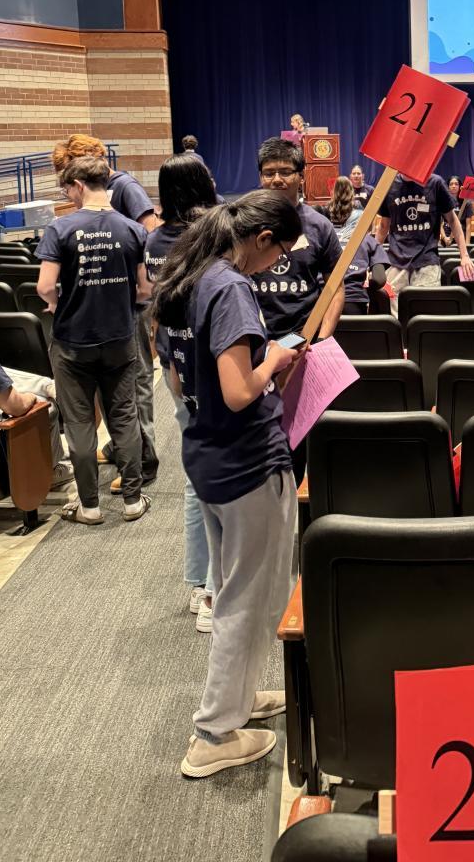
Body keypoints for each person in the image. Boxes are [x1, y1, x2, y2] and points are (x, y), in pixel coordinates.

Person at [151, 191, 303, 778]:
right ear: (262, 239)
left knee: (236, 588)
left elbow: (175, 378)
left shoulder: (186, 276)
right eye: (280, 251)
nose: (278, 263)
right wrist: (277, 359)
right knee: (248, 597)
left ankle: (237, 699)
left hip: (207, 456)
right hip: (247, 465)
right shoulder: (231, 288)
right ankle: (214, 733)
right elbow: (240, 391)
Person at [35, 156, 151, 524]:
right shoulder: (133, 229)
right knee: (124, 417)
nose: (67, 196)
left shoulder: (60, 228)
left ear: (79, 186)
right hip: (119, 339)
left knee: (80, 422)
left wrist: (57, 304)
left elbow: (45, 286)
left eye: (66, 189)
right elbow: (145, 289)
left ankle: (89, 506)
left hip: (72, 343)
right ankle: (132, 500)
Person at [52, 134, 159, 488]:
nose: (70, 183)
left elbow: (149, 235)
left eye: (70, 172)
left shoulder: (125, 187)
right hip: (103, 310)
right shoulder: (93, 198)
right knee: (110, 387)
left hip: (128, 305)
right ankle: (121, 447)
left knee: (136, 381)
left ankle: (144, 460)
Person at [145, 154, 218, 632]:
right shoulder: (207, 238)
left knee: (195, 476)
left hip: (172, 362)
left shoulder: (154, 240)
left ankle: (198, 582)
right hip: (206, 365)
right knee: (220, 478)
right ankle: (213, 587)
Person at [254, 138, 344, 340]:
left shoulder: (320, 226)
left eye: (285, 172)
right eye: (269, 173)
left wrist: (320, 340)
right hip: (254, 341)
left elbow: (335, 289)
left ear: (301, 176)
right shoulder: (244, 224)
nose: (277, 179)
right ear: (261, 177)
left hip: (304, 339)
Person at [0, 343, 74, 491]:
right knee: (47, 407)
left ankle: (47, 385)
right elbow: (17, 408)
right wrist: (30, 397)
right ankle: (51, 472)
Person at [376, 171, 474, 303]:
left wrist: (464, 256)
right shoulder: (389, 184)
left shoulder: (435, 183)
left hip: (427, 261)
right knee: (394, 311)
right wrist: (373, 260)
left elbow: (452, 220)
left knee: (426, 310)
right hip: (396, 261)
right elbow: (383, 226)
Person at [322, 175, 387, 315]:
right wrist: (367, 287)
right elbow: (379, 279)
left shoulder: (323, 237)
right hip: (354, 302)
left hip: (321, 304)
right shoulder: (367, 239)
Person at [443, 174, 474, 245]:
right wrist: (444, 238)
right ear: (448, 187)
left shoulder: (466, 203)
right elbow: (440, 224)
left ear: (460, 186)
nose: (453, 186)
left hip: (461, 238)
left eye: (456, 184)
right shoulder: (443, 202)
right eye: (451, 184)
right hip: (447, 238)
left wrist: (467, 243)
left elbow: (468, 225)